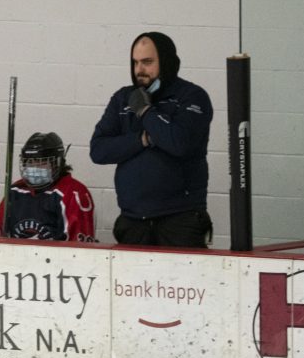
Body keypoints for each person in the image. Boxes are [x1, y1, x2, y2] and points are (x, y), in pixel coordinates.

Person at [90, 31, 213, 248]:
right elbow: (98, 150)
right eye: (135, 62)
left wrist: (146, 111)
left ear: (165, 61)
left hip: (180, 220)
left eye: (147, 62)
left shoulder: (192, 96)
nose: (139, 70)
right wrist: (143, 139)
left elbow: (179, 142)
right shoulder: (123, 98)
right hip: (132, 220)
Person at [0, 132, 96, 242]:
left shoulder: (74, 193)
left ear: (57, 163)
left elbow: (77, 249)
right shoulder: (15, 192)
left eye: (41, 162)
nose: (34, 168)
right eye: (30, 162)